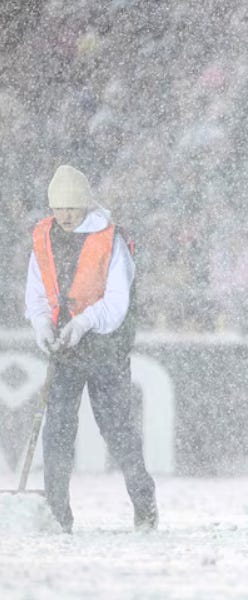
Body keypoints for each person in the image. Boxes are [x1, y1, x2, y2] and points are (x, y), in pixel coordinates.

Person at [25, 165, 158, 534]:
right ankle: (57, 513)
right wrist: (42, 325)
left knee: (117, 429)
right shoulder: (43, 238)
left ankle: (144, 502)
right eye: (59, 208)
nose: (65, 215)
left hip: (105, 349)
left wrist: (82, 323)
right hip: (65, 349)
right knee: (57, 431)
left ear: (85, 204)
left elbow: (116, 303)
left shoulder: (111, 240)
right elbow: (37, 292)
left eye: (72, 207)